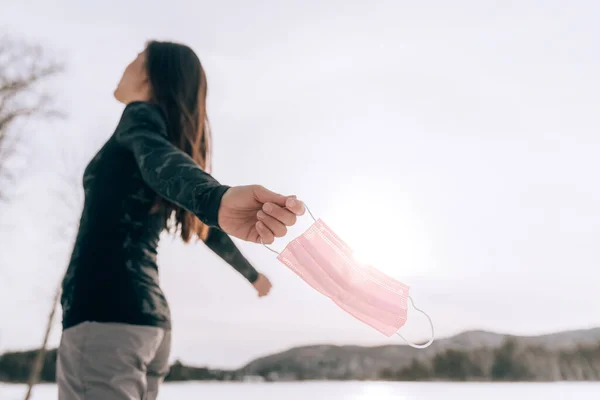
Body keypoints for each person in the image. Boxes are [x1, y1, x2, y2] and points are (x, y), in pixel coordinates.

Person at [56, 40, 305, 400]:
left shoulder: (139, 120)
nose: (127, 62)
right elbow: (206, 227)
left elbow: (162, 161)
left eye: (136, 57)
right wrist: (252, 274)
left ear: (150, 74)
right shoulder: (161, 142)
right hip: (147, 323)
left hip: (104, 317)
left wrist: (214, 197)